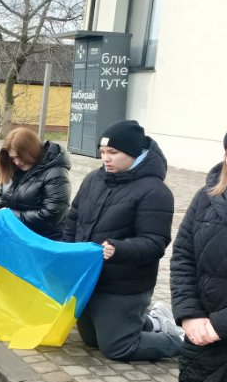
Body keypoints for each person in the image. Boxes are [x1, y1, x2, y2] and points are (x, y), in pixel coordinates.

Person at [63, 120, 182, 362]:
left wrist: (119, 249)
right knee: (91, 340)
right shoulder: (93, 179)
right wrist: (66, 251)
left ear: (133, 152)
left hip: (124, 284)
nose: (106, 158)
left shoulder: (155, 191)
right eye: (103, 152)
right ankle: (153, 322)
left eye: (113, 152)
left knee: (117, 347)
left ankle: (186, 342)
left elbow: (155, 243)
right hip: (90, 278)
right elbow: (73, 218)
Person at [171, 107, 227, 382]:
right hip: (204, 342)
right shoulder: (207, 198)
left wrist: (220, 325)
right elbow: (183, 257)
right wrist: (189, 314)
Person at [0, 127, 70, 239]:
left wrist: (10, 215)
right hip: (16, 234)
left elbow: (51, 215)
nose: (17, 162)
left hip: (43, 239)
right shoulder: (13, 167)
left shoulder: (56, 173)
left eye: (19, 157)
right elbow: (2, 195)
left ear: (30, 151)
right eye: (13, 158)